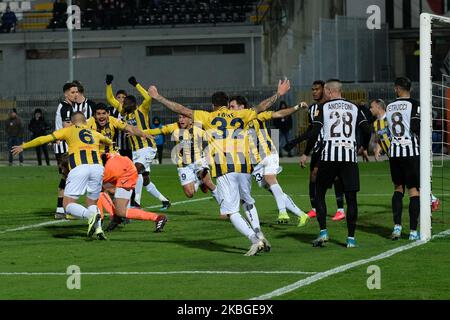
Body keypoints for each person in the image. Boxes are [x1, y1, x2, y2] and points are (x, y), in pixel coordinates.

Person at [147, 78, 291, 256]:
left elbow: (179, 109)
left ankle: (255, 240)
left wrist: (158, 97)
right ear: (226, 103)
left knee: (231, 212)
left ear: (213, 105)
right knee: (247, 201)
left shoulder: (208, 116)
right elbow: (262, 106)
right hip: (245, 166)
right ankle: (259, 232)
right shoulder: (241, 114)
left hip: (224, 169)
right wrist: (278, 94)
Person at [290, 79, 371, 248]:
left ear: (329, 91)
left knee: (319, 193)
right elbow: (366, 129)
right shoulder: (354, 107)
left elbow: (314, 132)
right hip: (349, 157)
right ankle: (350, 239)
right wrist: (363, 145)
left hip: (329, 157)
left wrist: (306, 152)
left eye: (325, 91)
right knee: (352, 199)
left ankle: (324, 233)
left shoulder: (323, 108)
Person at [12, 112, 113, 240]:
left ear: (72, 122)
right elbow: (109, 141)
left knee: (68, 205)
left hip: (80, 167)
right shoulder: (95, 133)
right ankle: (98, 229)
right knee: (92, 201)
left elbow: (44, 139)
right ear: (85, 122)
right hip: (97, 168)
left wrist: (24, 146)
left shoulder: (68, 130)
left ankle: (90, 216)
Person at [229, 96, 309, 227]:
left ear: (242, 107)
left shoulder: (256, 116)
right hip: (256, 162)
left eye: (232, 106)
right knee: (273, 190)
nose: (230, 109)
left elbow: (278, 113)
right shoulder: (233, 122)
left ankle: (283, 212)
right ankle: (301, 214)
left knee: (270, 178)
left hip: (268, 153)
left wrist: (297, 107)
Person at [284, 80, 346, 221]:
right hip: (318, 148)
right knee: (313, 176)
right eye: (312, 89)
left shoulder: (331, 106)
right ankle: (315, 209)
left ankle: (340, 209)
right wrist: (298, 145)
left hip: (331, 147)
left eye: (317, 89)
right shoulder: (312, 109)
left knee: (335, 176)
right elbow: (311, 131)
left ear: (324, 90)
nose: (314, 92)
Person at [106, 74, 170, 210]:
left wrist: (136, 84)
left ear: (133, 103)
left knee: (136, 171)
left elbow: (148, 97)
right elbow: (110, 99)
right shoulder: (124, 113)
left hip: (147, 147)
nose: (123, 104)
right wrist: (108, 84)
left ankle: (135, 203)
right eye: (123, 102)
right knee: (145, 179)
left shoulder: (142, 110)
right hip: (135, 150)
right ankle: (165, 200)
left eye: (126, 102)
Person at [145, 114, 219, 201]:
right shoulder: (174, 127)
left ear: (190, 120)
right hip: (183, 164)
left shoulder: (197, 129)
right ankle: (199, 180)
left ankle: (224, 206)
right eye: (179, 117)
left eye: (184, 117)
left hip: (198, 160)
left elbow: (212, 138)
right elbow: (157, 130)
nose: (181, 120)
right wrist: (139, 132)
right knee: (189, 194)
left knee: (208, 182)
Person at [385, 77, 422, 241]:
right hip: (411, 152)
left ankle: (397, 227)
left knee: (398, 189)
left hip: (395, 152)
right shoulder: (415, 104)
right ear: (410, 89)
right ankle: (413, 231)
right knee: (414, 191)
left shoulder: (390, 106)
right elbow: (415, 126)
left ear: (396, 89)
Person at [97, 153, 168, 233]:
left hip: (124, 173)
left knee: (120, 210)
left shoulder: (106, 168)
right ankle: (115, 217)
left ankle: (158, 218)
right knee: (104, 191)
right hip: (123, 167)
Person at [54, 82, 79, 218]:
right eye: (72, 92)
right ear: (66, 94)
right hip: (64, 147)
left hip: (63, 146)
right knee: (68, 178)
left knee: (67, 178)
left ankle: (62, 208)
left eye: (76, 92)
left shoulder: (67, 106)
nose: (75, 95)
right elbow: (66, 125)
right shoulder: (66, 107)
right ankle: (62, 208)